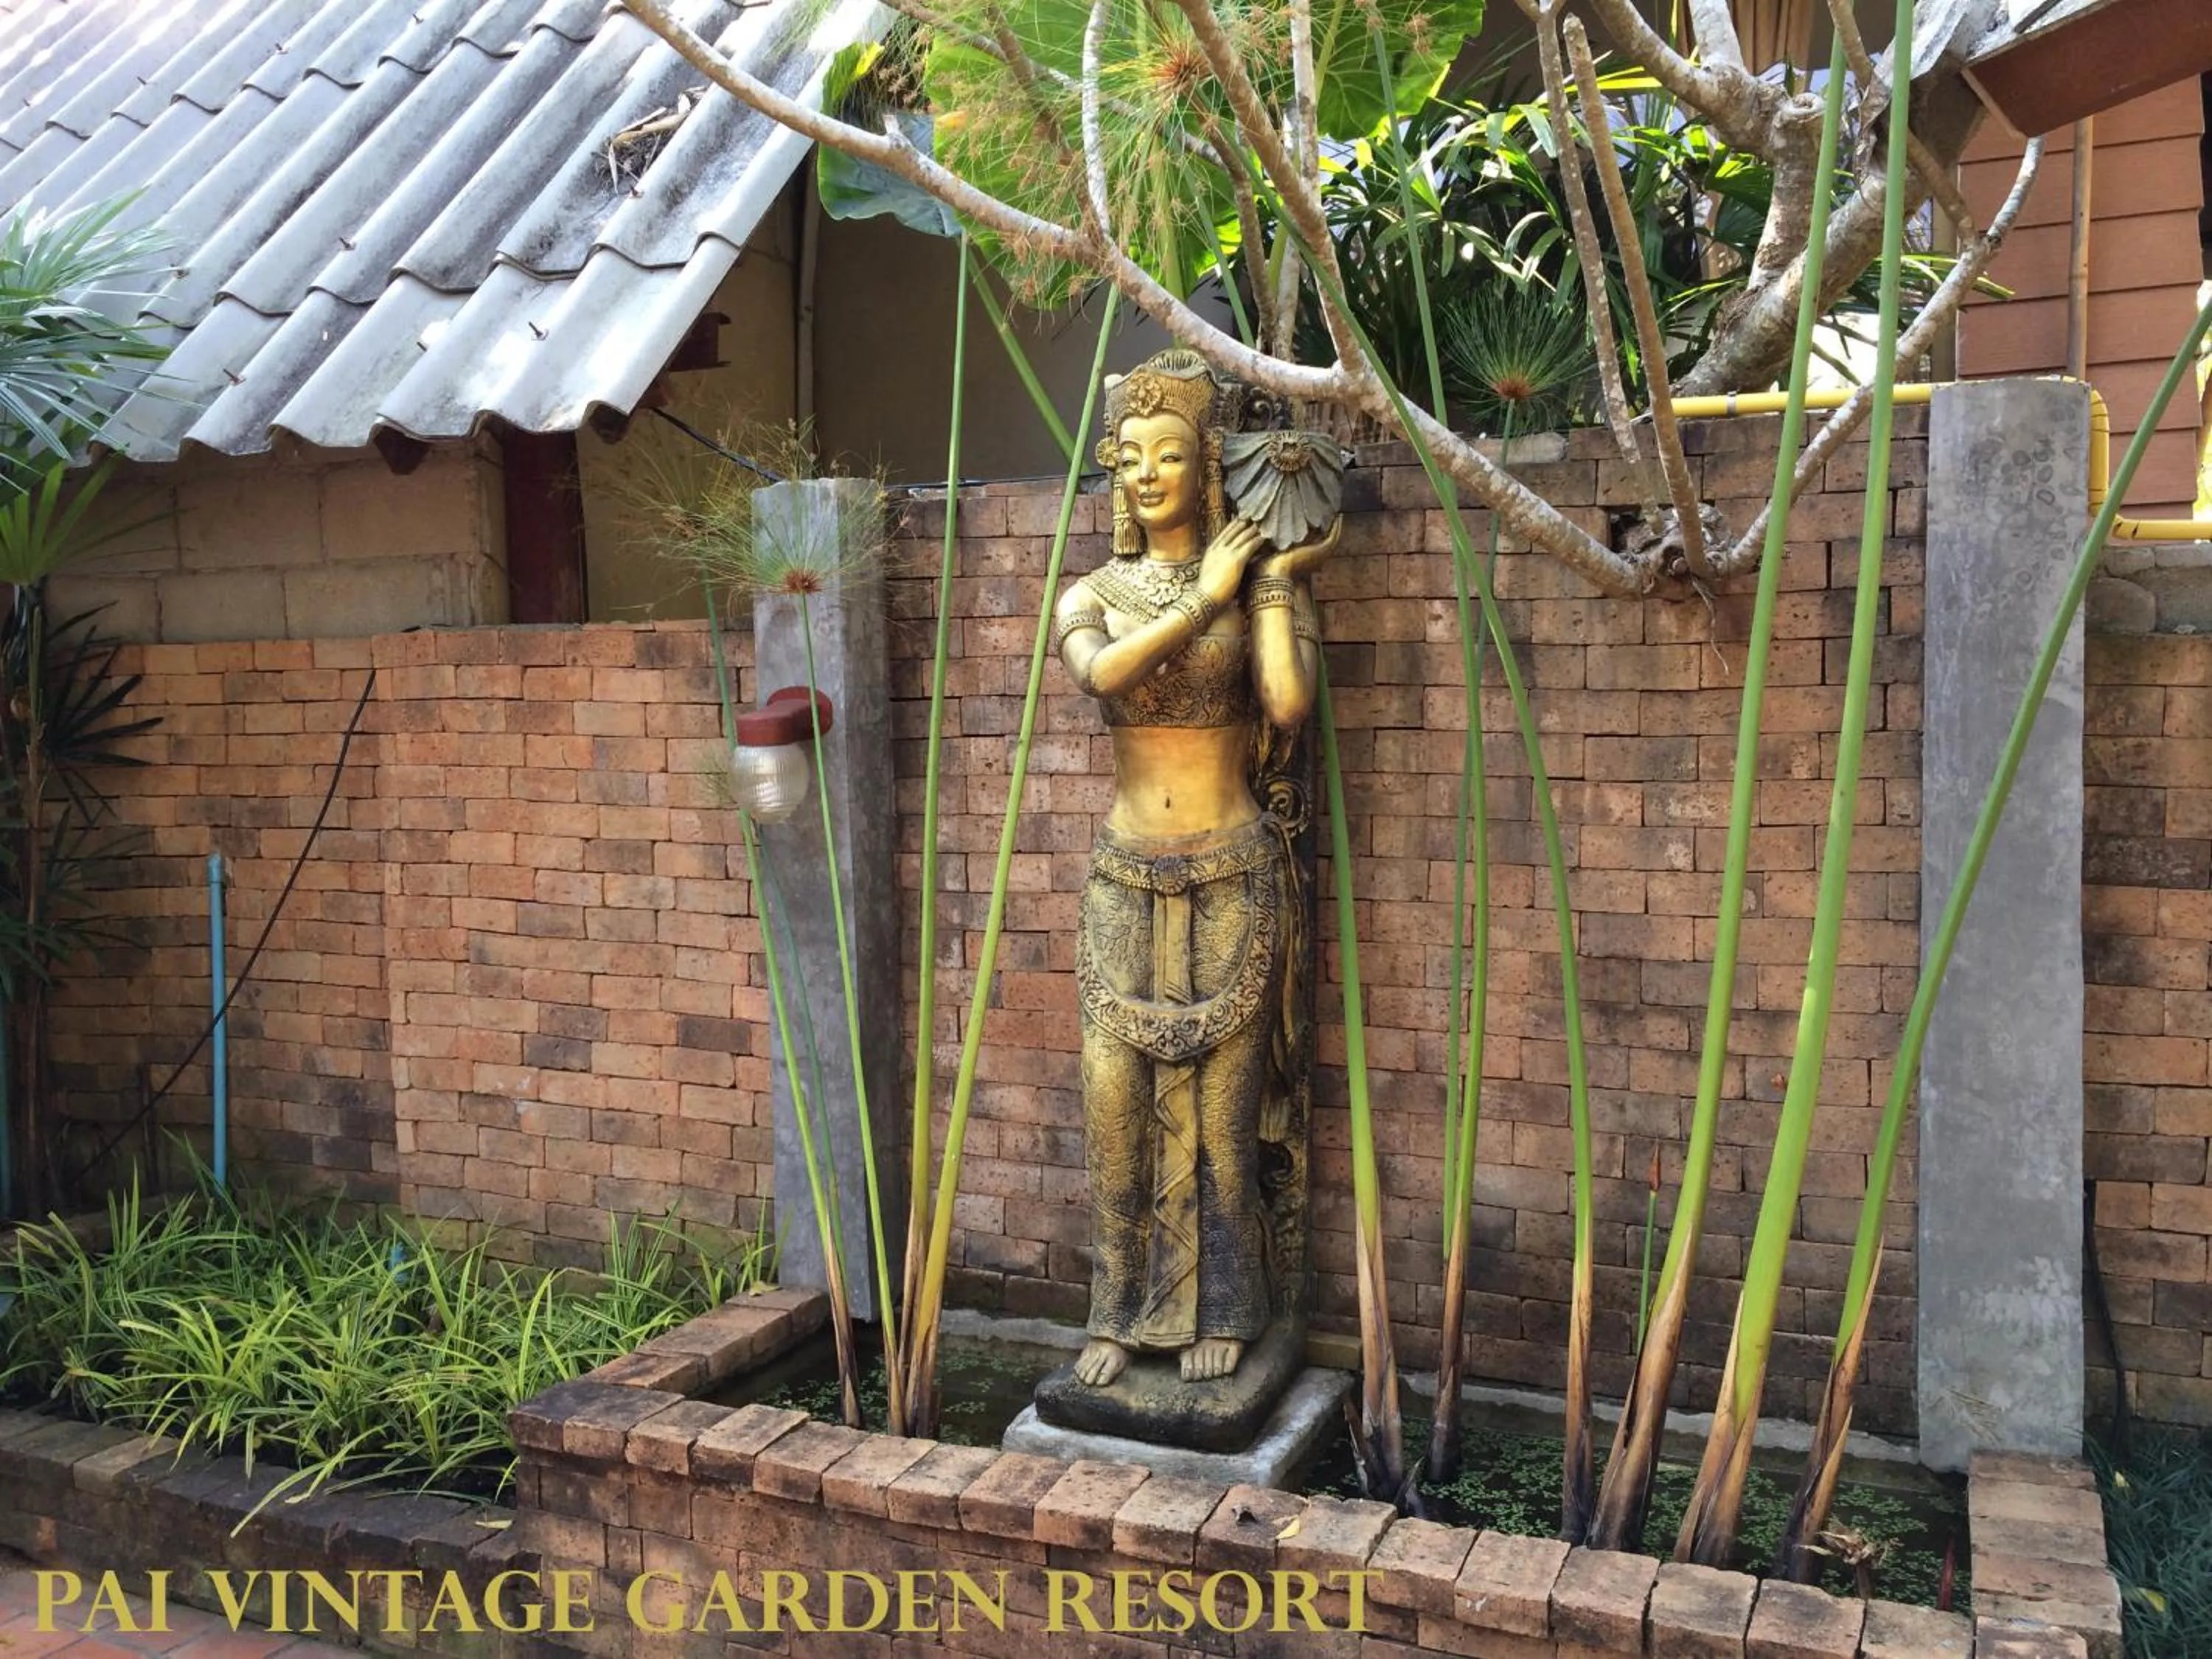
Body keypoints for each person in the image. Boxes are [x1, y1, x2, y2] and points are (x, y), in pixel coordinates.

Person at [1049, 349, 1337, 1388]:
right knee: (1113, 1106)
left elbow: (1289, 708)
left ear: (1207, 466)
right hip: (1125, 876)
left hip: (1233, 869)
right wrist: (1200, 596)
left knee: (1225, 1119)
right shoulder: (1094, 593)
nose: (1148, 473)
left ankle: (1229, 1304)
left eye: (1170, 455)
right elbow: (1101, 675)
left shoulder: (1251, 580)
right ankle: (1118, 1308)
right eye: (1130, 458)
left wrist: (1266, 586)